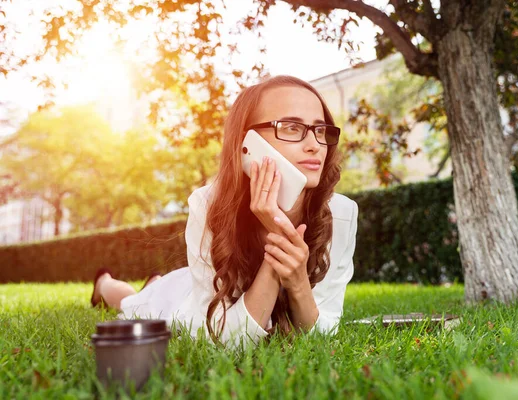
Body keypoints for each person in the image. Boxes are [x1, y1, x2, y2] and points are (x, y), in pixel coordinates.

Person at [89, 75, 359, 349]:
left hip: (192, 285)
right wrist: (277, 246)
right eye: (291, 127)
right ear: (247, 144)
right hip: (185, 298)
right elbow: (226, 341)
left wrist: (298, 281)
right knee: (136, 304)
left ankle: (154, 284)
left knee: (153, 292)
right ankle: (104, 283)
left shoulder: (342, 214)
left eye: (320, 129)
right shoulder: (207, 205)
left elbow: (323, 335)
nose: (315, 144)